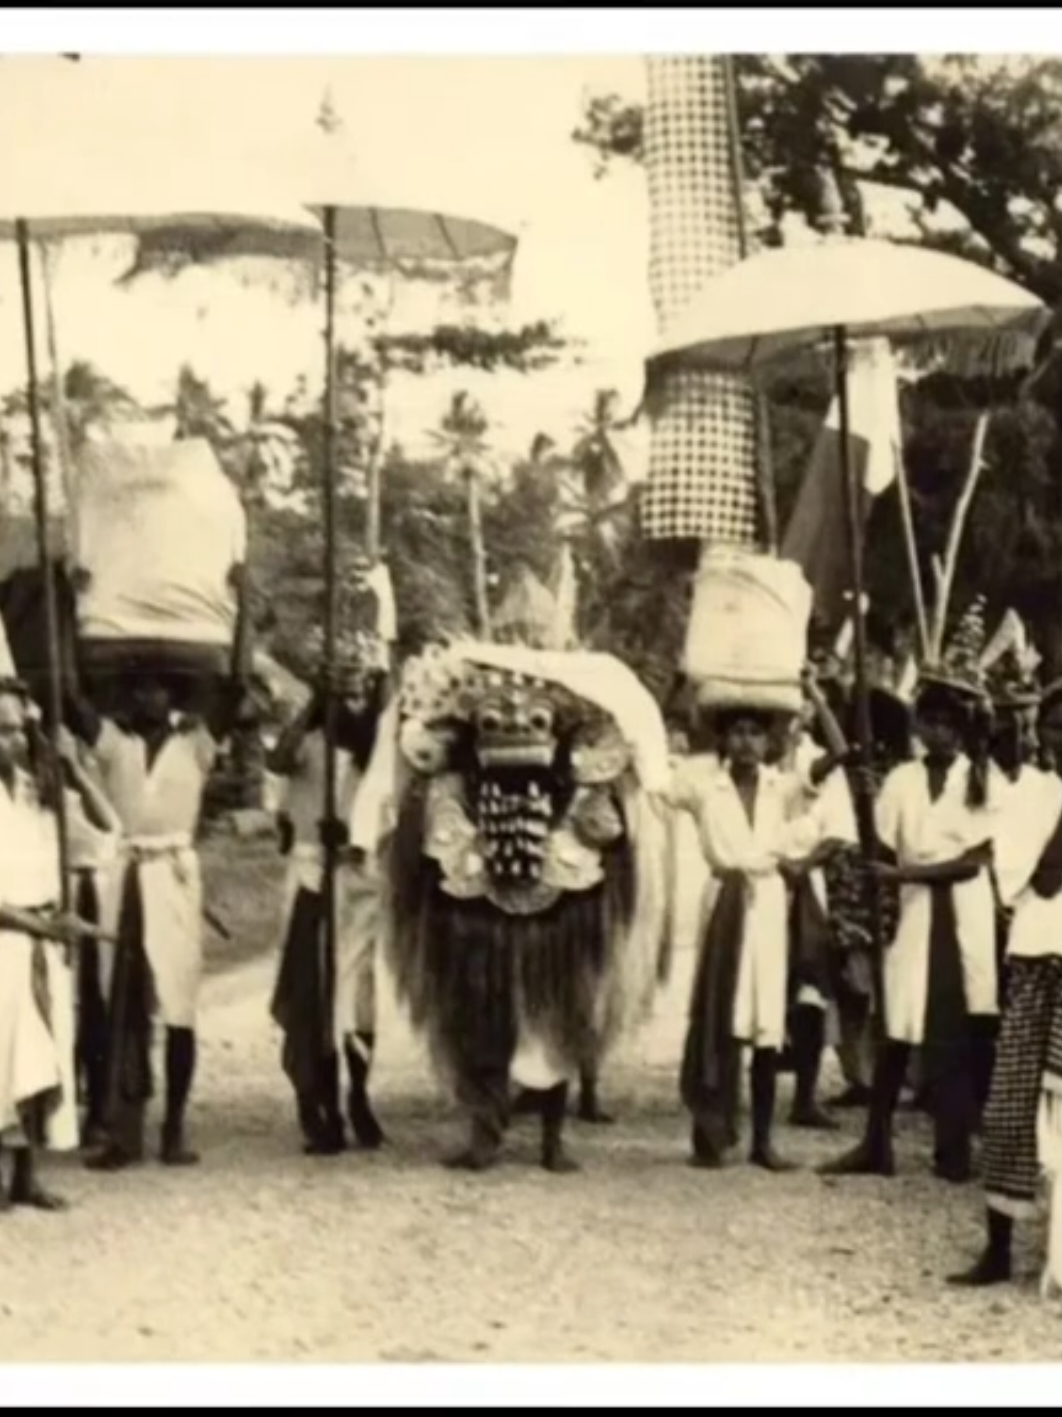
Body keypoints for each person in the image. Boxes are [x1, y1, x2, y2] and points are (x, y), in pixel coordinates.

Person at [820, 598, 1006, 1183]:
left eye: (951, 724)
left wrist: (903, 877)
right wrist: (866, 810)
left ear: (964, 729)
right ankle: (877, 1144)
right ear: (919, 725)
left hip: (960, 913)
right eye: (931, 721)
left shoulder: (981, 779)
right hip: (916, 915)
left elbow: (975, 861)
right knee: (899, 1021)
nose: (940, 732)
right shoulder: (902, 779)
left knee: (958, 1027)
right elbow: (880, 843)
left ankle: (955, 1148)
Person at [667, 696, 852, 1172]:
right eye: (738, 732)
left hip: (768, 902)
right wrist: (684, 690)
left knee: (767, 1025)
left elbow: (840, 753)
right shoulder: (704, 787)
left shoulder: (782, 787)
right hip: (722, 899)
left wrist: (815, 694)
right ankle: (709, 1135)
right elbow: (665, 758)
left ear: (770, 742)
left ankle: (763, 1142)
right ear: (724, 740)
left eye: (755, 732)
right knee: (718, 1016)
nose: (746, 742)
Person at [67, 671, 237, 1172]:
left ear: (175, 694)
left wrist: (244, 606)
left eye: (157, 685)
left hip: (174, 875)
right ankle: (120, 1127)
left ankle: (174, 1128)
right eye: (139, 684)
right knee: (119, 998)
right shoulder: (114, 743)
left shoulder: (198, 744)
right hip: (123, 874)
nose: (148, 693)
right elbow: (72, 703)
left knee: (178, 1002)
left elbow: (234, 688)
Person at [948, 675, 1062, 1290]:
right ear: (1040, 733)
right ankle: (998, 1249)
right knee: (1011, 1107)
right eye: (1056, 726)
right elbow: (1036, 881)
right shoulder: (1029, 795)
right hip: (1039, 959)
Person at [0, 683, 119, 1212]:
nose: (12, 740)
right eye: (0, 731)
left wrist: (73, 767)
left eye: (17, 728)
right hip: (7, 940)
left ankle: (27, 1177)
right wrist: (36, 925)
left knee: (45, 1058)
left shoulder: (40, 791)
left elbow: (109, 827)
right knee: (6, 1059)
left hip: (44, 940)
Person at [269, 642, 391, 1157]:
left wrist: (350, 836)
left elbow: (387, 820)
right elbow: (278, 760)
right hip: (310, 878)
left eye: (359, 690)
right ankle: (319, 1106)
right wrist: (313, 707)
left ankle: (358, 1095)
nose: (351, 702)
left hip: (356, 882)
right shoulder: (308, 744)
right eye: (341, 691)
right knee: (310, 997)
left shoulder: (376, 757)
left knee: (355, 999)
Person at [820, 683, 911, 1110]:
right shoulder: (852, 764)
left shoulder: (900, 772)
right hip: (849, 885)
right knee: (851, 987)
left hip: (882, 884)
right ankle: (860, 1075)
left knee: (877, 986)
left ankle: (880, 1074)